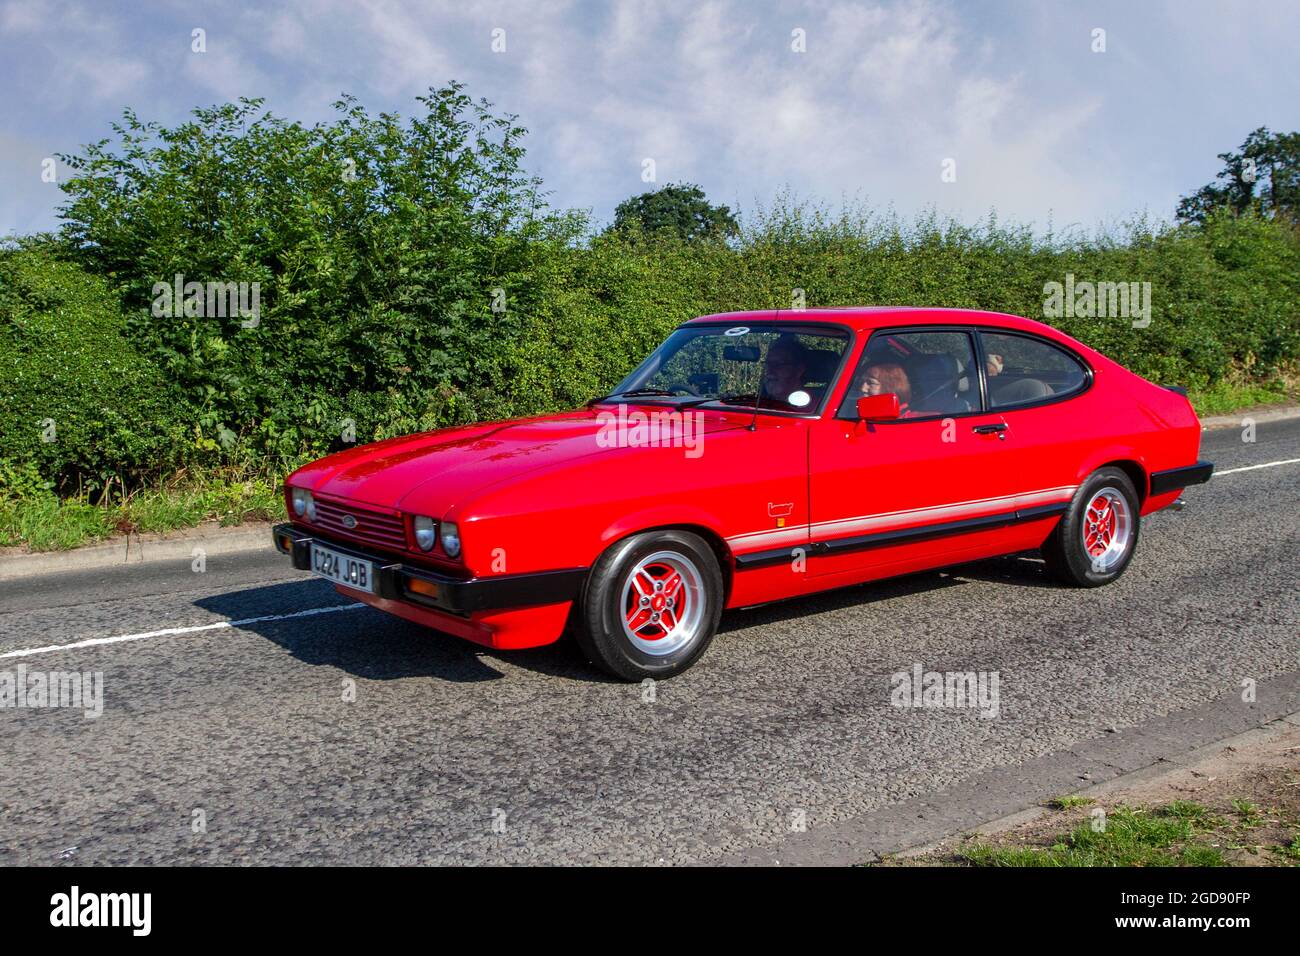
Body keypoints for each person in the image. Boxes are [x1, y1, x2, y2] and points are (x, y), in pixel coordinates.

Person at [760, 335, 809, 405]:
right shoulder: (758, 404)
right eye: (768, 363)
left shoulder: (814, 409)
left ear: (799, 370)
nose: (770, 370)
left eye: (778, 364)